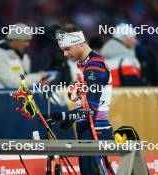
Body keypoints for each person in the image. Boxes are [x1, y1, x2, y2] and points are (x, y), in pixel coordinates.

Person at [44, 23, 114, 175]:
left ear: (80, 43)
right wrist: (70, 120)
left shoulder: (94, 67)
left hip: (97, 133)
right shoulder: (86, 65)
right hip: (87, 130)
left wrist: (61, 116)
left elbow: (90, 110)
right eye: (63, 50)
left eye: (67, 49)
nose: (65, 54)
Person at [0, 23, 48, 88]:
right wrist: (38, 76)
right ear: (14, 40)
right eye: (25, 41)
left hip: (15, 96)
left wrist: (37, 84)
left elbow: (22, 81)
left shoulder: (20, 55)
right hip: (1, 97)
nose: (28, 45)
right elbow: (14, 83)